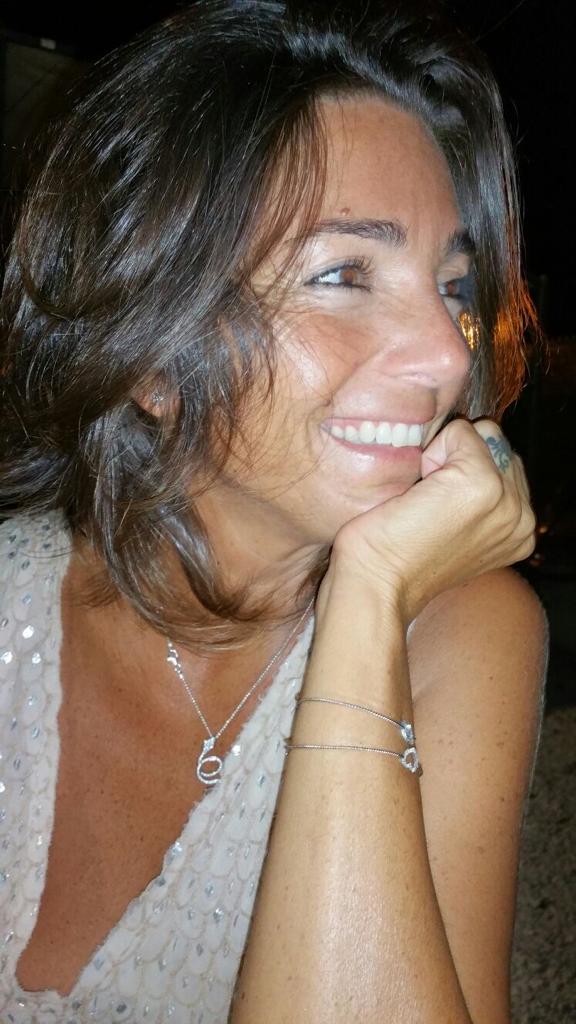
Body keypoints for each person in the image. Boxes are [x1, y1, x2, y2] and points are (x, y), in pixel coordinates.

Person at [0, 1, 547, 1021]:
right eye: (344, 274)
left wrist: (370, 602)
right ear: (150, 354)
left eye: (452, 284)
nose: (447, 353)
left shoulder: (462, 633)